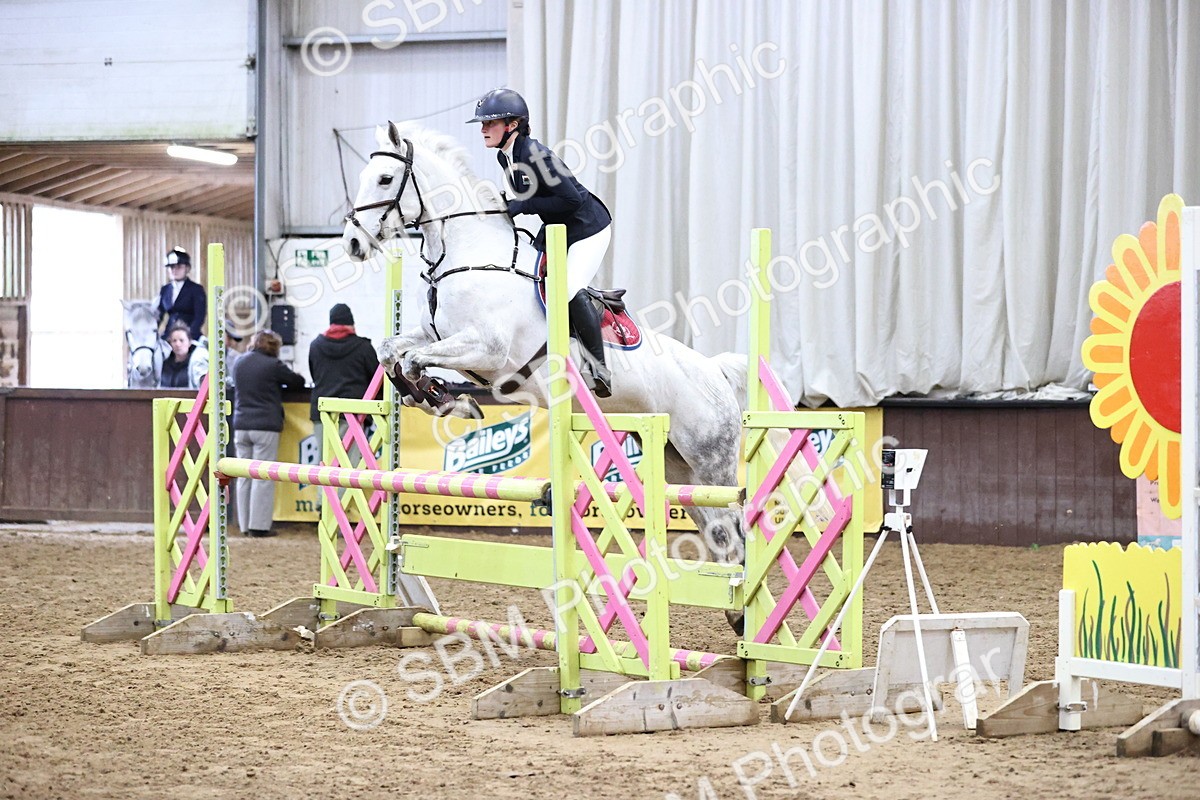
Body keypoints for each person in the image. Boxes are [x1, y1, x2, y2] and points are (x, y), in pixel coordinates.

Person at [468, 87, 614, 397]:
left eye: (490, 123)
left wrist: (523, 205)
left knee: (569, 288)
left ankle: (599, 368)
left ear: (512, 125)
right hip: (557, 228)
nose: (483, 129)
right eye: (482, 123)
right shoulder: (505, 156)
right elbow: (536, 197)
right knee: (527, 283)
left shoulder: (536, 154)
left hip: (587, 228)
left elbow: (572, 200)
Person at [230, 329, 306, 537]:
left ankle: (244, 525)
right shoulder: (273, 365)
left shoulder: (239, 362)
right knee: (262, 476)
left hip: (241, 425)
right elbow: (297, 382)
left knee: (244, 476)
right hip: (265, 426)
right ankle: (259, 526)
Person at [308, 303, 379, 463]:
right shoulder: (363, 348)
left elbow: (314, 375)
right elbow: (376, 379)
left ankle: (325, 482)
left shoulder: (315, 346)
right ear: (351, 324)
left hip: (323, 414)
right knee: (350, 464)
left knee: (325, 462)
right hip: (353, 415)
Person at [157, 246, 206, 341]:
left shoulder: (196, 289)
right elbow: (159, 315)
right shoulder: (165, 289)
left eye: (179, 267)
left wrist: (188, 335)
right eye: (171, 267)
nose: (174, 270)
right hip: (169, 335)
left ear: (187, 268)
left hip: (190, 335)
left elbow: (199, 317)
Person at [159, 321, 209, 389]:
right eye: (174, 341)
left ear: (189, 342)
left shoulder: (196, 363)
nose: (177, 344)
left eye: (181, 340)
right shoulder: (165, 364)